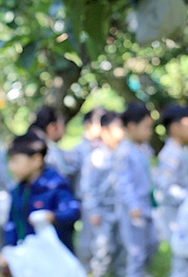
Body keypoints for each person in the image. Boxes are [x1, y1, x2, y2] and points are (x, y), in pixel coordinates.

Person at [2, 132, 80, 253]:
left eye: (15, 161)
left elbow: (72, 211)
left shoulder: (55, 184)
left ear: (36, 160)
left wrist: (53, 217)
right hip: (28, 256)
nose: (11, 167)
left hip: (56, 255)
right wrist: (9, 247)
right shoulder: (17, 190)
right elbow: (12, 222)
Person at [154, 104, 188, 277]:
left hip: (185, 210)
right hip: (175, 211)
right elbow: (166, 186)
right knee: (183, 257)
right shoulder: (171, 154)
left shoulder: (181, 150)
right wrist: (187, 197)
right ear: (174, 127)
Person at [80, 111, 126, 277]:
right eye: (118, 127)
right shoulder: (96, 157)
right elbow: (87, 187)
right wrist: (93, 210)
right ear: (105, 131)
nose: (122, 131)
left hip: (121, 209)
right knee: (103, 248)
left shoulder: (124, 155)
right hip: (102, 211)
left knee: (122, 246)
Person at [115, 102, 158, 277]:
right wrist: (132, 205)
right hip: (133, 209)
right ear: (132, 127)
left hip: (147, 204)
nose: (149, 132)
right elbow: (124, 182)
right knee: (136, 252)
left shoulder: (144, 148)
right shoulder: (123, 152)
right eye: (146, 128)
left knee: (152, 243)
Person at [65, 106, 106, 271]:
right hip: (84, 201)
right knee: (86, 242)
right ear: (89, 124)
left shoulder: (105, 148)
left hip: (104, 201)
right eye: (100, 121)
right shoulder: (78, 150)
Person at [28, 105, 69, 177]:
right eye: (62, 125)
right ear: (52, 127)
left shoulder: (24, 144)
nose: (64, 130)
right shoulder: (50, 152)